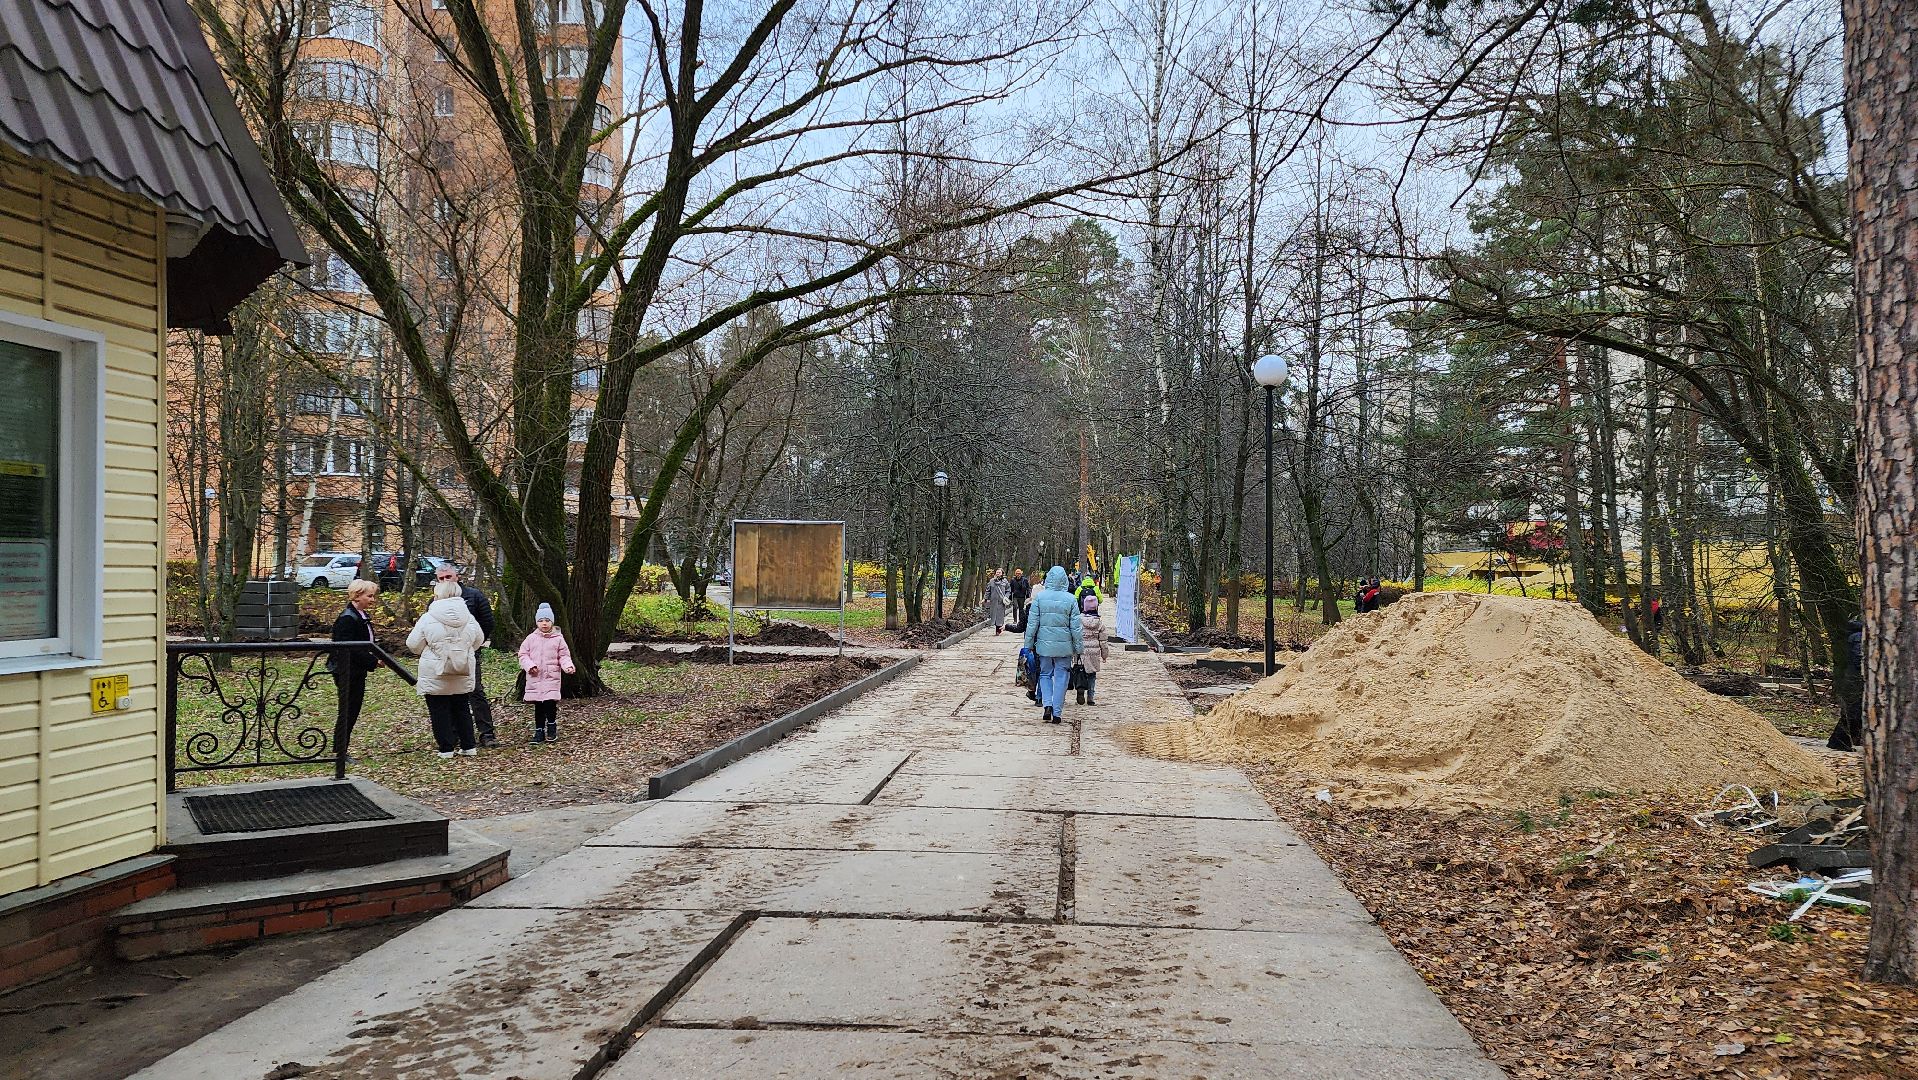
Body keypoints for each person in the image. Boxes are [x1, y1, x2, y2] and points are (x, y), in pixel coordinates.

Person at [407, 580, 487, 759]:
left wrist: (430, 651)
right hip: (462, 668)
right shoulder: (469, 617)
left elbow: (413, 644)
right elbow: (478, 639)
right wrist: (463, 651)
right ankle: (469, 746)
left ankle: (446, 748)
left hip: (435, 669)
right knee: (462, 707)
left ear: (437, 595)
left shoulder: (428, 617)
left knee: (438, 710)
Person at [434, 562, 497, 746]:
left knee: (475, 690)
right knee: (450, 692)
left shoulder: (474, 596)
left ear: (457, 577)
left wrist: (475, 643)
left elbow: (487, 622)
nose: (446, 581)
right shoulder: (435, 601)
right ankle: (455, 733)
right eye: (441, 578)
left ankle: (487, 734)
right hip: (444, 654)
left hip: (469, 652)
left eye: (448, 577)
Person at [327, 579, 382, 763]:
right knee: (348, 710)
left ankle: (340, 749)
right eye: (369, 596)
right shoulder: (347, 618)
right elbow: (349, 648)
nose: (372, 600)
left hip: (355, 670)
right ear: (357, 596)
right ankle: (340, 751)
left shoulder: (359, 614)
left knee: (352, 709)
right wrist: (373, 661)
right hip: (346, 671)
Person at [1022, 565, 1083, 725]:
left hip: (1044, 645)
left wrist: (1028, 644)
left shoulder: (1040, 598)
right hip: (1064, 647)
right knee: (1062, 676)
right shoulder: (1071, 599)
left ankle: (1047, 704)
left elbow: (1032, 624)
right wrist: (1079, 648)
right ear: (1064, 580)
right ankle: (1057, 711)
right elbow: (1076, 627)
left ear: (1048, 579)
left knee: (1045, 674)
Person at [518, 602, 576, 744]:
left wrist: (567, 666)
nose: (544, 624)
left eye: (547, 621)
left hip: (551, 677)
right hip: (535, 678)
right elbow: (523, 655)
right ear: (537, 622)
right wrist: (530, 666)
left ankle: (551, 726)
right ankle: (539, 731)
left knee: (550, 703)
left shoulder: (558, 639)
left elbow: (564, 656)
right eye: (541, 621)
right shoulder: (531, 639)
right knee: (539, 705)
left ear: (552, 622)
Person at [1830, 618, 1865, 752]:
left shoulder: (1853, 635)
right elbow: (1859, 658)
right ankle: (1839, 741)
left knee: (1851, 712)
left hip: (1849, 679)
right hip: (1854, 680)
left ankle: (1838, 741)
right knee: (1854, 713)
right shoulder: (1859, 637)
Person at [1075, 592, 1109, 706]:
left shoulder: (1079, 620)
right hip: (1094, 652)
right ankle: (1090, 697)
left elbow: (1075, 635)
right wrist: (1104, 655)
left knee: (1080, 671)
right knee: (1092, 675)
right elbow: (1103, 641)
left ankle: (1080, 688)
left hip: (1082, 650)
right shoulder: (1099, 623)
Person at [984, 569, 1010, 635]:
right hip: (993, 601)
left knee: (1000, 616)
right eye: (997, 572)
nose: (998, 573)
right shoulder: (992, 581)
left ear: (1002, 573)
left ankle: (998, 629)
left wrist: (1006, 597)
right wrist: (985, 598)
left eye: (999, 572)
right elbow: (988, 591)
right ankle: (997, 628)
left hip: (1001, 602)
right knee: (994, 615)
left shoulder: (1005, 581)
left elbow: (1008, 590)